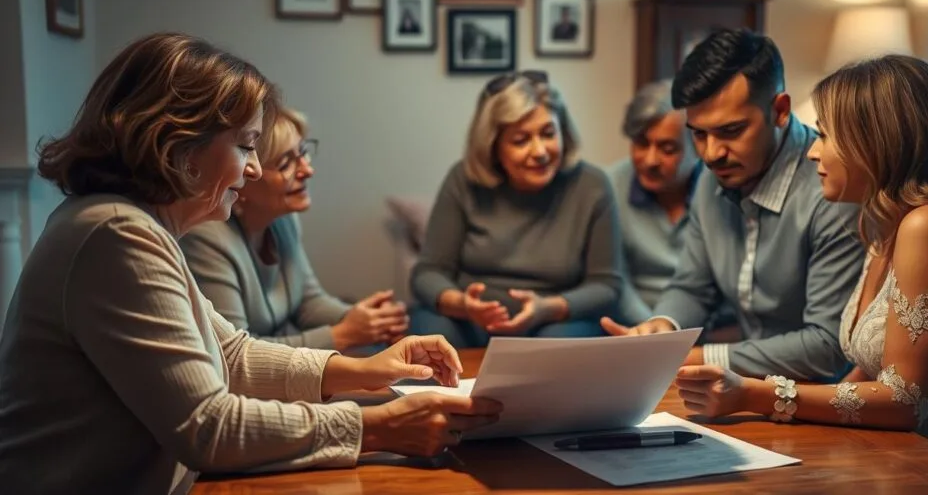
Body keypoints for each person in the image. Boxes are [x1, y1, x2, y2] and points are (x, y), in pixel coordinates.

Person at [0, 33, 501, 495]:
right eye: (245, 146)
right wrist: (380, 425)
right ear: (178, 144)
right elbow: (208, 427)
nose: (256, 168)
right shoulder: (116, 235)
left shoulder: (129, 224)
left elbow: (232, 354)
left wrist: (366, 369)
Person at [674, 55, 928, 479]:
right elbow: (869, 375)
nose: (813, 151)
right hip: (900, 454)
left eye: (824, 134)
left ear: (877, 141)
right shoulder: (883, 225)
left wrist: (754, 394)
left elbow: (906, 401)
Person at [602, 28, 865, 382]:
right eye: (698, 134)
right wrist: (663, 327)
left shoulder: (833, 191)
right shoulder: (713, 176)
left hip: (823, 400)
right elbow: (692, 286)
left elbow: (827, 348)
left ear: (780, 110)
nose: (711, 154)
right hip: (743, 389)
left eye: (731, 131)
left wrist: (696, 356)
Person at [409, 70, 624, 348]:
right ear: (493, 146)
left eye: (548, 133)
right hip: (470, 322)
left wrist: (547, 308)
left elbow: (606, 285)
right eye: (521, 140)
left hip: (556, 322)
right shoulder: (462, 180)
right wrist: (463, 305)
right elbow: (428, 272)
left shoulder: (592, 185)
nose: (540, 152)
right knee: (431, 333)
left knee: (555, 348)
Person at [180, 105, 407, 354]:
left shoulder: (282, 219)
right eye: (286, 162)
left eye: (303, 153)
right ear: (244, 173)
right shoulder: (206, 238)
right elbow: (233, 355)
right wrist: (342, 335)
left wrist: (369, 319)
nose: (307, 170)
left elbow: (308, 303)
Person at [606, 80, 702, 325]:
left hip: (704, 326)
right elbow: (616, 280)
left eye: (667, 149)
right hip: (635, 325)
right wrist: (654, 330)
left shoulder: (719, 189)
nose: (650, 160)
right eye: (641, 144)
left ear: (698, 147)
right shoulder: (610, 186)